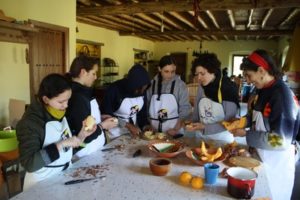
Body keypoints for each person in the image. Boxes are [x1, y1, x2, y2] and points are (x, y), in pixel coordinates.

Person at [231, 49, 300, 200]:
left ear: (261, 70)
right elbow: (256, 115)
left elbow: (280, 140)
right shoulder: (262, 89)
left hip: (277, 164)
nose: (248, 81)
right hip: (262, 156)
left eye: (249, 76)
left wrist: (247, 134)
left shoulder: (281, 96)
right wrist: (242, 122)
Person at [16, 73, 96, 190]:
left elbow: (67, 149)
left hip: (63, 176)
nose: (66, 105)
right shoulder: (30, 124)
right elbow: (29, 163)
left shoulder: (58, 113)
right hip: (41, 183)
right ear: (45, 99)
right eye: (61, 102)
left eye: (68, 100)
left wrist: (81, 136)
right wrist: (61, 144)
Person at [65, 55, 117, 158]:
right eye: (93, 73)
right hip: (86, 153)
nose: (96, 77)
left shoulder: (84, 91)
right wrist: (103, 126)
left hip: (94, 150)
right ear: (83, 72)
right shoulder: (77, 97)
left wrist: (99, 117)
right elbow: (84, 135)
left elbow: (85, 116)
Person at [187, 53, 240, 145]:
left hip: (222, 139)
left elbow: (229, 122)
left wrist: (204, 127)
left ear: (213, 71)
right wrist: (192, 123)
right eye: (197, 74)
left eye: (202, 73)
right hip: (201, 136)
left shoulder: (228, 89)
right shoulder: (202, 87)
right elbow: (196, 110)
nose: (199, 78)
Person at [101, 64, 151, 139]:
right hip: (114, 134)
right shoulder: (114, 90)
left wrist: (145, 126)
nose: (143, 91)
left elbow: (141, 114)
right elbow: (106, 116)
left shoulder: (142, 90)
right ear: (134, 85)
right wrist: (127, 125)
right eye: (141, 89)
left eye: (145, 88)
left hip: (133, 132)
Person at [146, 55, 191, 135]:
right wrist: (149, 124)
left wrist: (178, 126)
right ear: (159, 69)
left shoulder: (180, 85)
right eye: (166, 71)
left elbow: (185, 108)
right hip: (154, 131)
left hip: (174, 131)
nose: (170, 75)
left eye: (173, 71)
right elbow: (147, 106)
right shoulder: (151, 85)